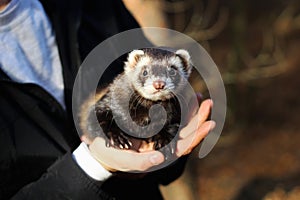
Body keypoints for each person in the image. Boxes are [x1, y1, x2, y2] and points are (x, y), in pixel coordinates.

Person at [0, 0, 214, 199]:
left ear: (186, 69)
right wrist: (92, 166)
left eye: (173, 72)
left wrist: (165, 151)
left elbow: (167, 169)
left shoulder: (96, 5)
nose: (158, 82)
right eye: (147, 73)